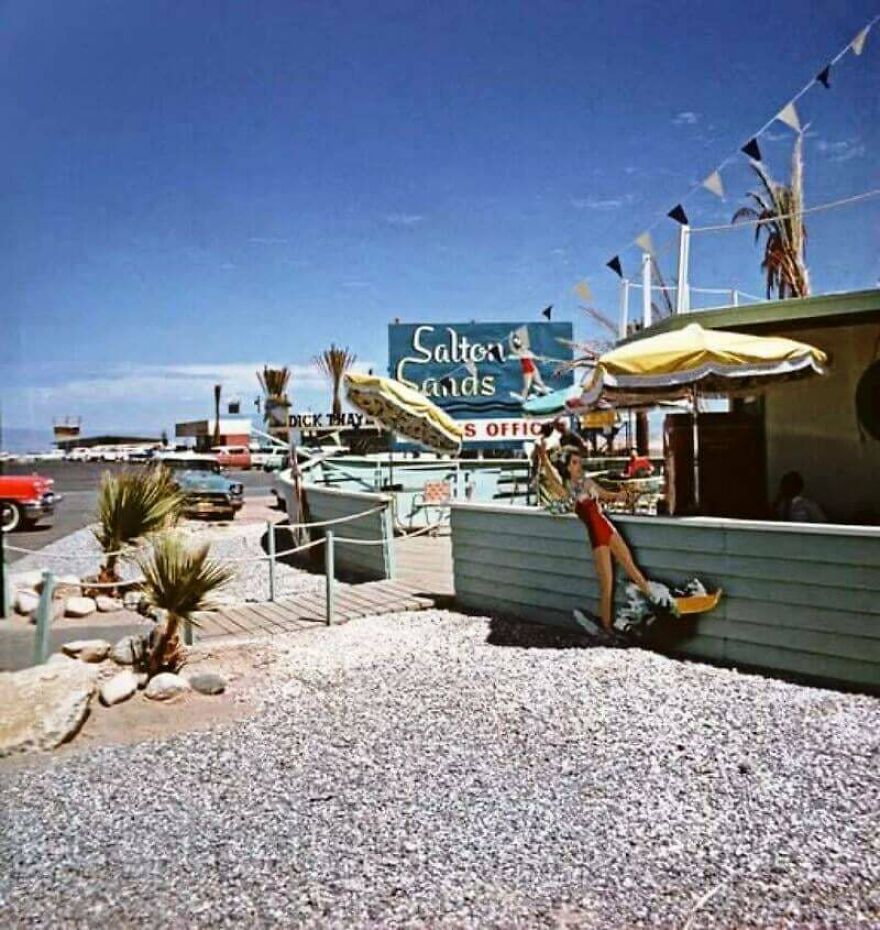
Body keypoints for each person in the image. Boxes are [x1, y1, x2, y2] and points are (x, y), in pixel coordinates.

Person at [537, 444, 660, 638]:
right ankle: (607, 628)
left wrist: (626, 496)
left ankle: (659, 602)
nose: (579, 465)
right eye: (575, 462)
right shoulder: (568, 491)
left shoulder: (587, 483)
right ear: (567, 467)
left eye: (580, 462)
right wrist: (543, 458)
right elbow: (552, 479)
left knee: (632, 569)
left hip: (607, 529)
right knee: (607, 585)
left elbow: (608, 496)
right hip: (597, 537)